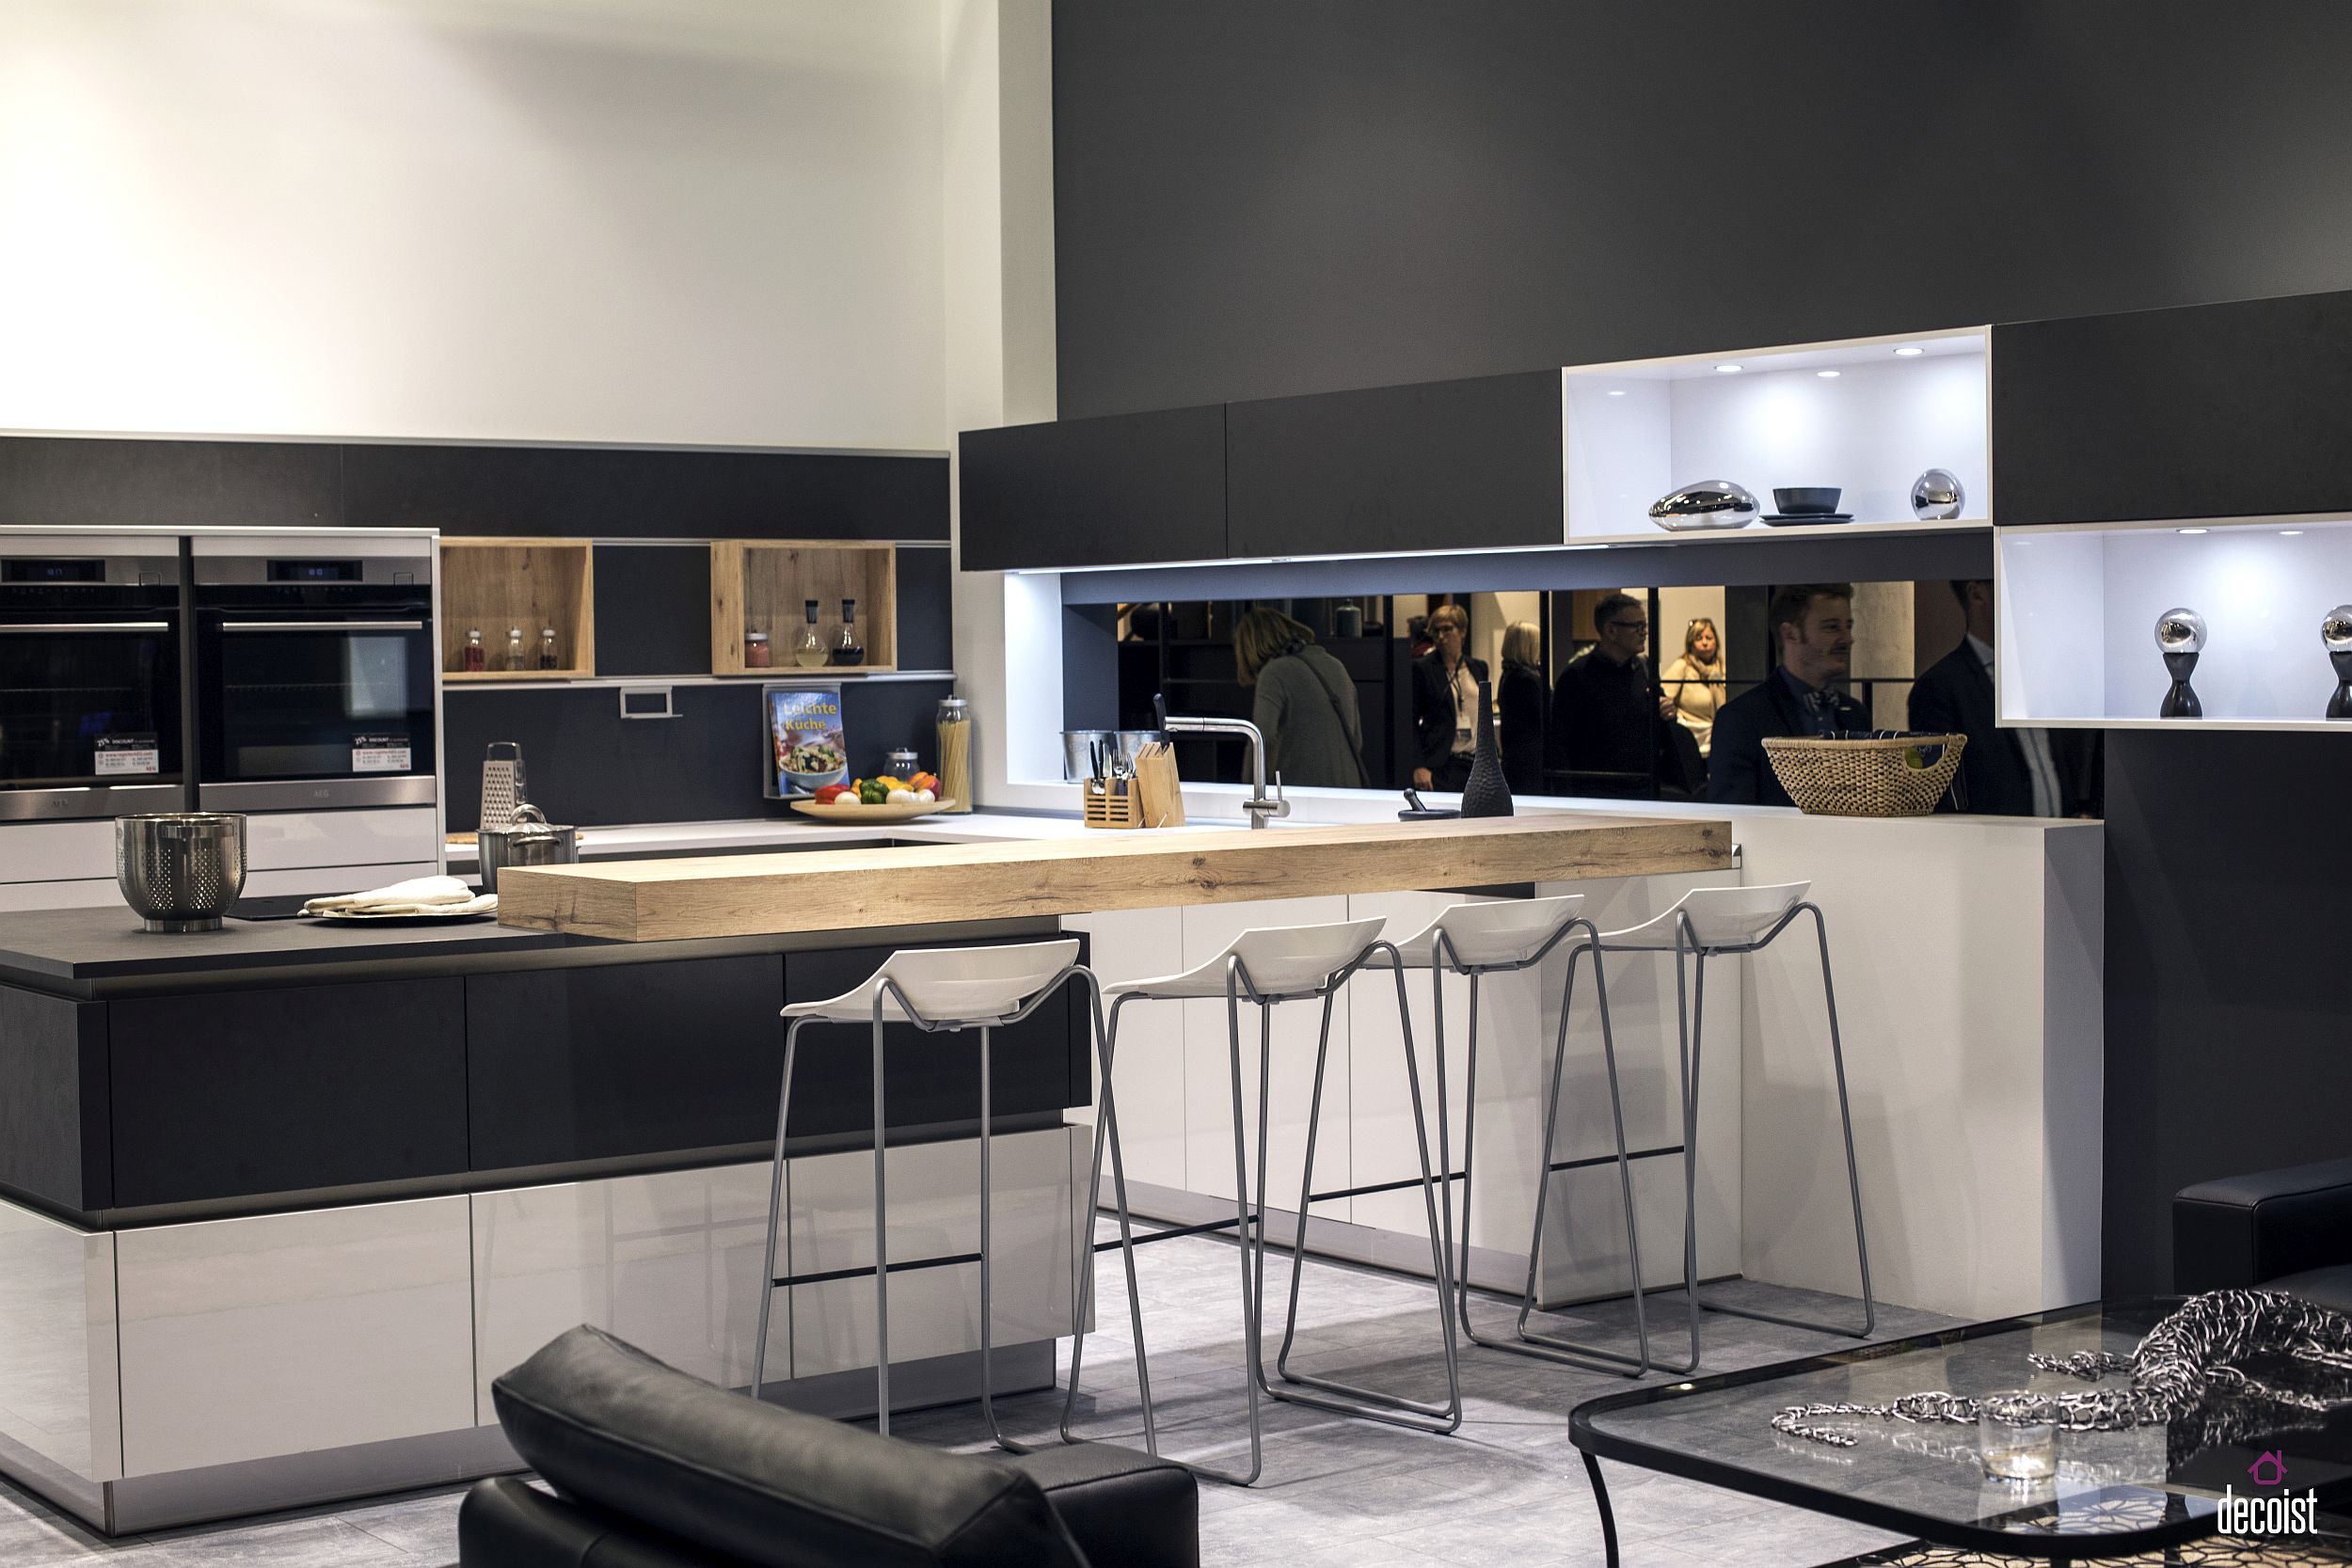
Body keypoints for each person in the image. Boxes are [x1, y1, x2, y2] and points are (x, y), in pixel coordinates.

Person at [1909, 579, 2098, 816]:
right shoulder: (1939, 688)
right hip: (1990, 845)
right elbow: (1938, 793)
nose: (2028, 604)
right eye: (2014, 587)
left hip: (2059, 840)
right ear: (1978, 594)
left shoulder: (2042, 673)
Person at [1707, 583, 1867, 807]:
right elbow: (1733, 823)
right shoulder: (1741, 719)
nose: (1847, 638)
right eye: (1832, 627)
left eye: (1848, 626)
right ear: (1790, 634)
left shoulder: (1856, 715)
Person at [1233, 606, 1365, 789]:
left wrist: (1248, 788)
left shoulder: (1274, 672)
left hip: (1302, 795)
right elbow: (1356, 740)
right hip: (1349, 792)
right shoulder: (1335, 665)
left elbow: (1262, 738)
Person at [1548, 592, 1661, 798]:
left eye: (1644, 626)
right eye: (1637, 626)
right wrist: (1567, 797)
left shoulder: (1644, 669)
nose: (1644, 632)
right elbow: (1558, 744)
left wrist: (1666, 711)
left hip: (1642, 789)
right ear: (1611, 630)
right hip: (1595, 792)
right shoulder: (1577, 676)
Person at [1409, 602, 1484, 792]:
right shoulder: (1423, 668)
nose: (1441, 637)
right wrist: (1418, 765)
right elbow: (1409, 720)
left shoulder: (1479, 668)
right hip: (1443, 765)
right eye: (1436, 631)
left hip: (1476, 764)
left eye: (1447, 630)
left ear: (1462, 632)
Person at [1661, 616, 1726, 756]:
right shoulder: (1683, 666)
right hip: (1691, 741)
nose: (1704, 643)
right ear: (1690, 644)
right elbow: (1663, 696)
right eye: (1699, 638)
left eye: (1709, 638)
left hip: (1718, 739)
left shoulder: (1721, 669)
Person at [1497, 620, 1549, 796]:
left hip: (1516, 758)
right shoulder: (1527, 681)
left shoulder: (1508, 676)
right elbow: (1544, 718)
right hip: (1530, 761)